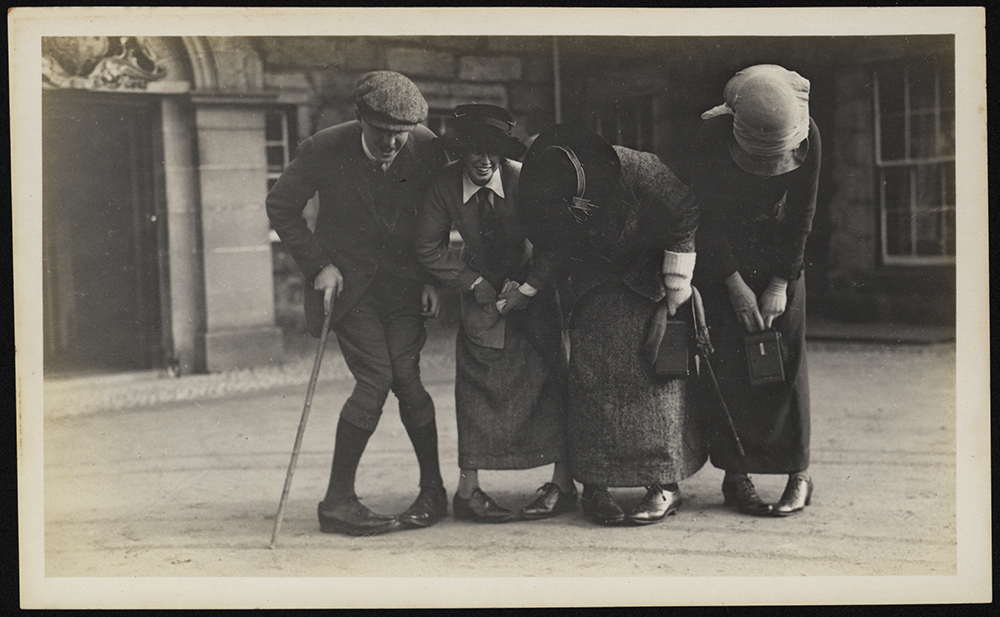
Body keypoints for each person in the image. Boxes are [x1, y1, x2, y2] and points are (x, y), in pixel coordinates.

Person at [266, 71, 448, 536]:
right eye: (382, 132)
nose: (392, 143)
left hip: (405, 286)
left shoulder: (426, 146)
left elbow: (435, 210)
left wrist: (431, 279)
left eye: (400, 134)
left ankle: (433, 491)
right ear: (360, 118)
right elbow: (281, 206)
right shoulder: (324, 148)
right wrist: (317, 266)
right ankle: (338, 502)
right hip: (348, 287)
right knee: (376, 379)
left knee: (406, 378)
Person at [516, 124, 706, 526]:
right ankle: (596, 486)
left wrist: (676, 284)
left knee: (656, 382)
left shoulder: (641, 170)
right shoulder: (547, 185)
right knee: (592, 383)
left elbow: (685, 211)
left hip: (651, 281)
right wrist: (531, 288)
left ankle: (664, 485)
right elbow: (552, 243)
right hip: (591, 284)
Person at [414, 104, 574, 523]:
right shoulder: (443, 187)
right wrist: (472, 282)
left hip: (534, 291)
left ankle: (563, 483)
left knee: (552, 382)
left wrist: (528, 288)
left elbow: (556, 242)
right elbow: (428, 248)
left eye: (493, 152)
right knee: (477, 389)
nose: (484, 161)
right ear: (460, 153)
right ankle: (468, 492)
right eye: (475, 151)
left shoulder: (528, 181)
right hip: (482, 297)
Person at [690, 64, 820, 517]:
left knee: (786, 362)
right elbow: (703, 216)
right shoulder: (711, 138)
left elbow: (803, 214)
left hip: (783, 258)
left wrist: (781, 282)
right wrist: (734, 286)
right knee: (731, 362)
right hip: (725, 258)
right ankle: (736, 474)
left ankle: (797, 472)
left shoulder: (809, 135)